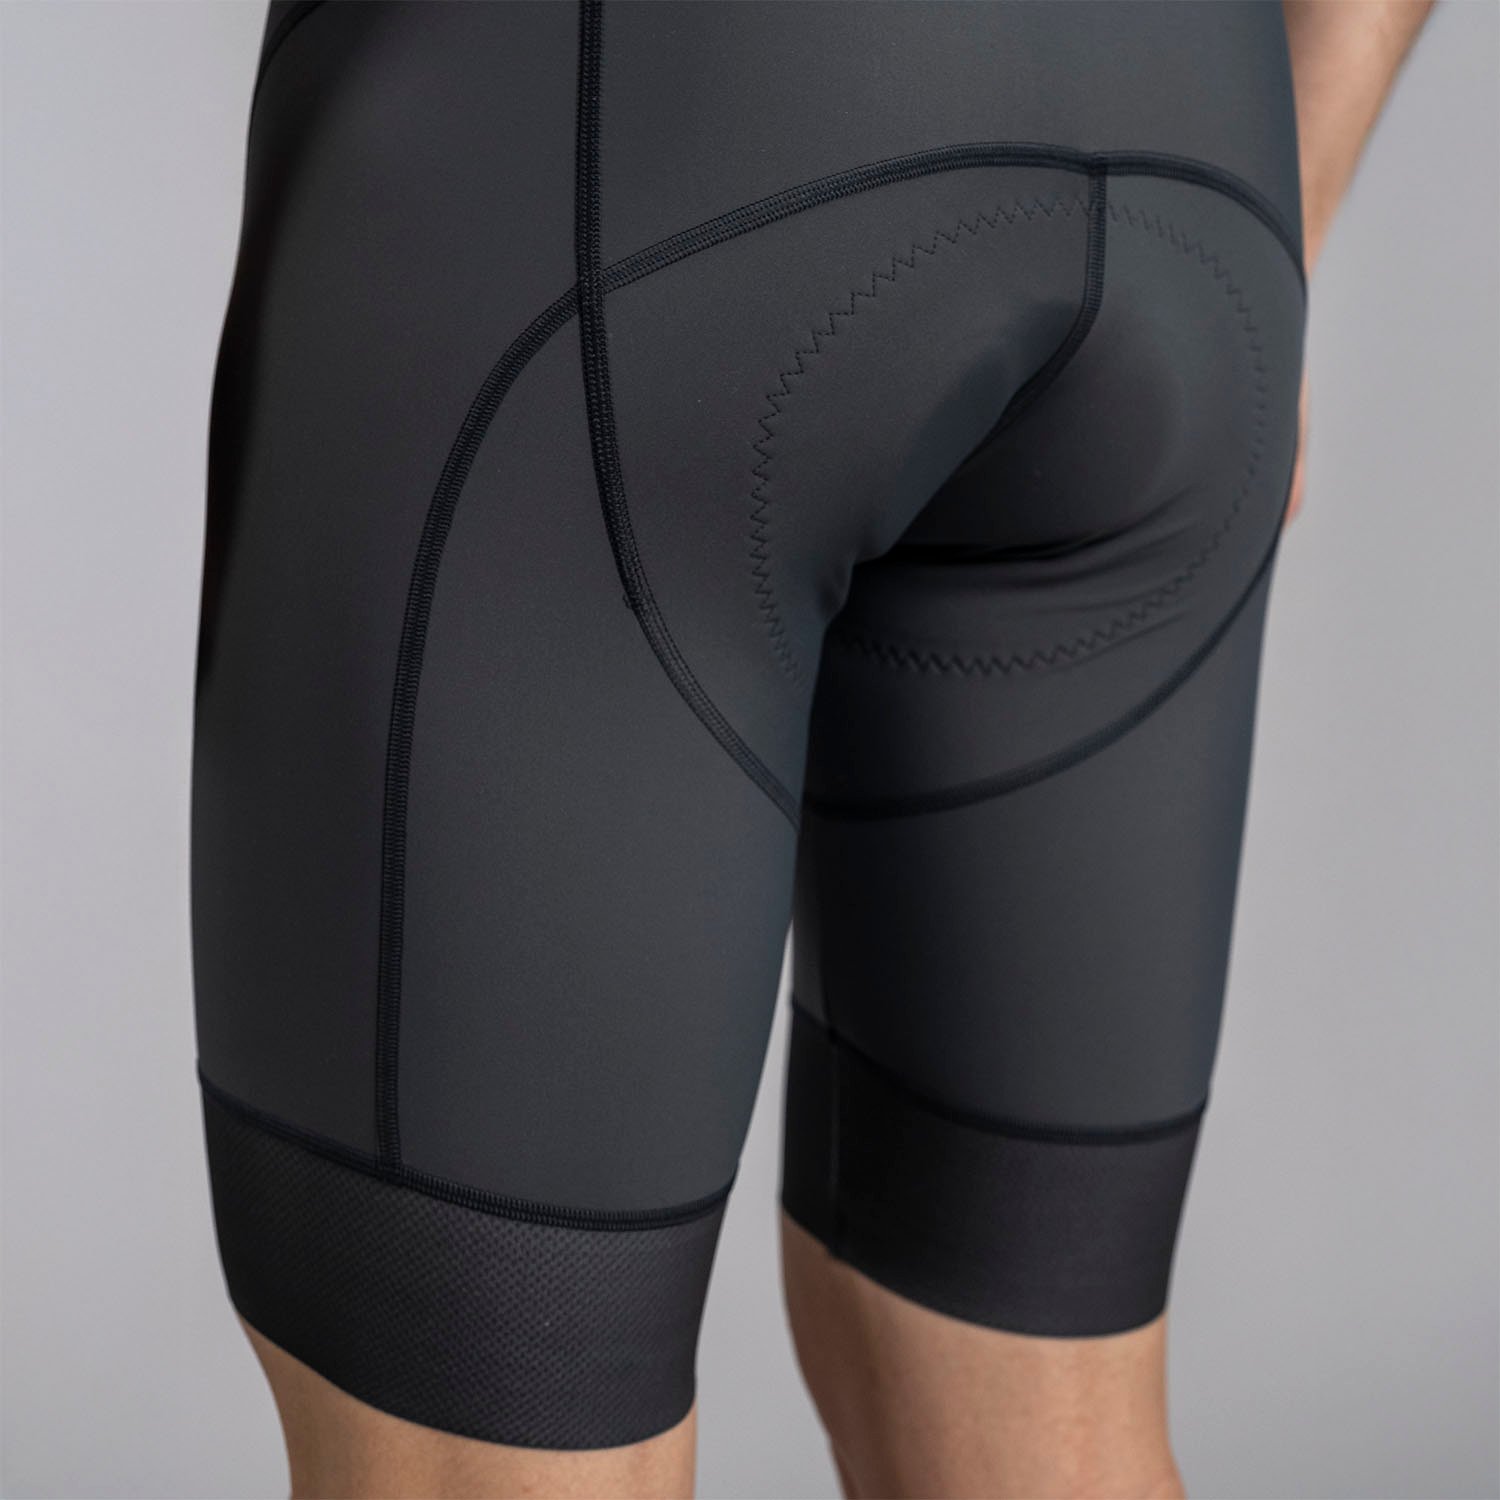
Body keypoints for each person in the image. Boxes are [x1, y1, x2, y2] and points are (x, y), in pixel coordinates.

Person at [190, 2, 1436, 1495]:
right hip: (1189, 158)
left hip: (615, 138)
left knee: (489, 1431)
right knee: (1050, 1424)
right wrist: (1291, 188)